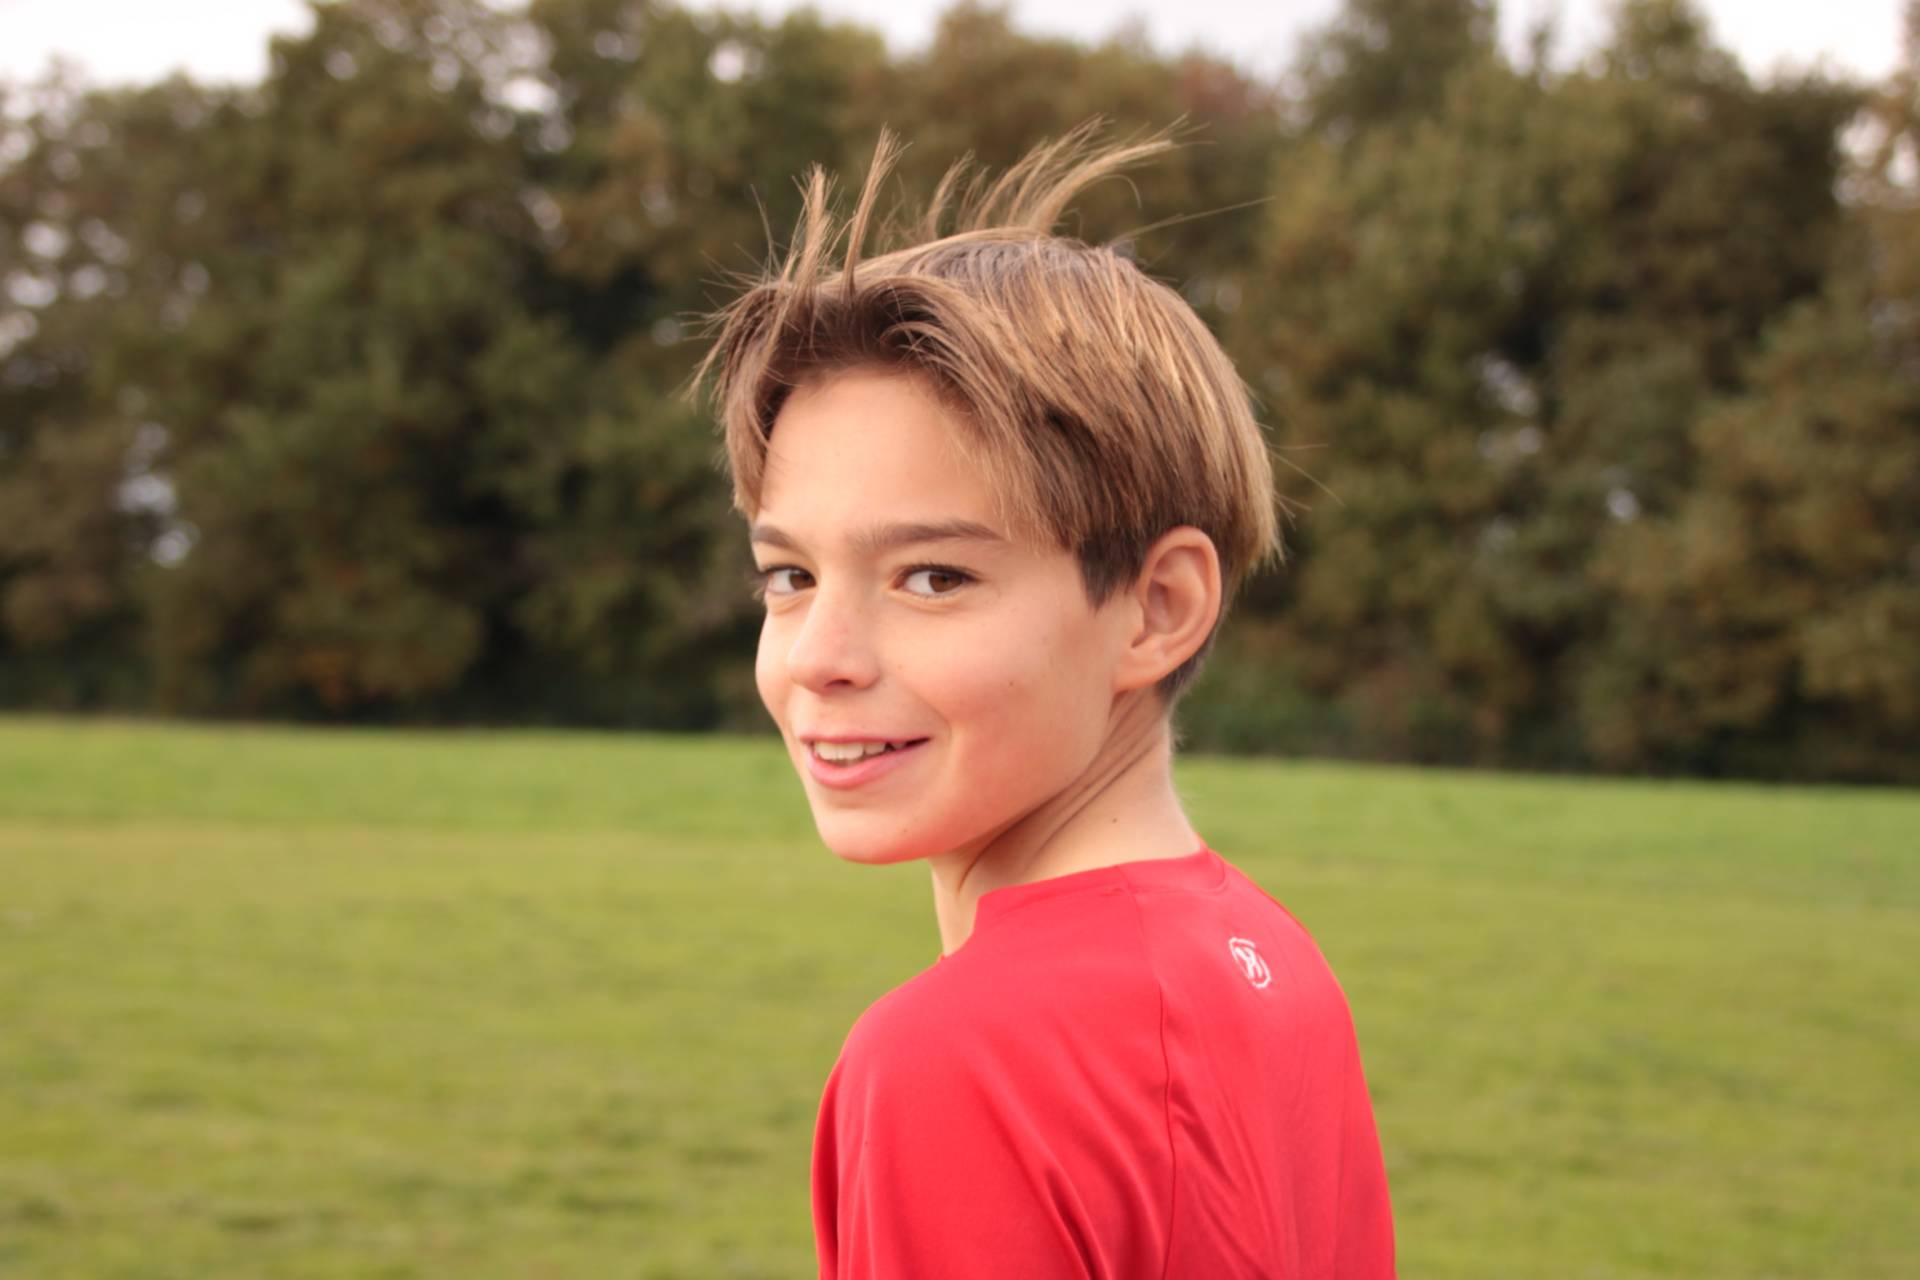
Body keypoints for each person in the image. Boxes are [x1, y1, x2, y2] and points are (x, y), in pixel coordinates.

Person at [692, 119, 1396, 1279]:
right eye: (790, 575)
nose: (820, 655)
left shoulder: (954, 1057)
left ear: (1157, 606)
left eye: (933, 576)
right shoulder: (1270, 960)